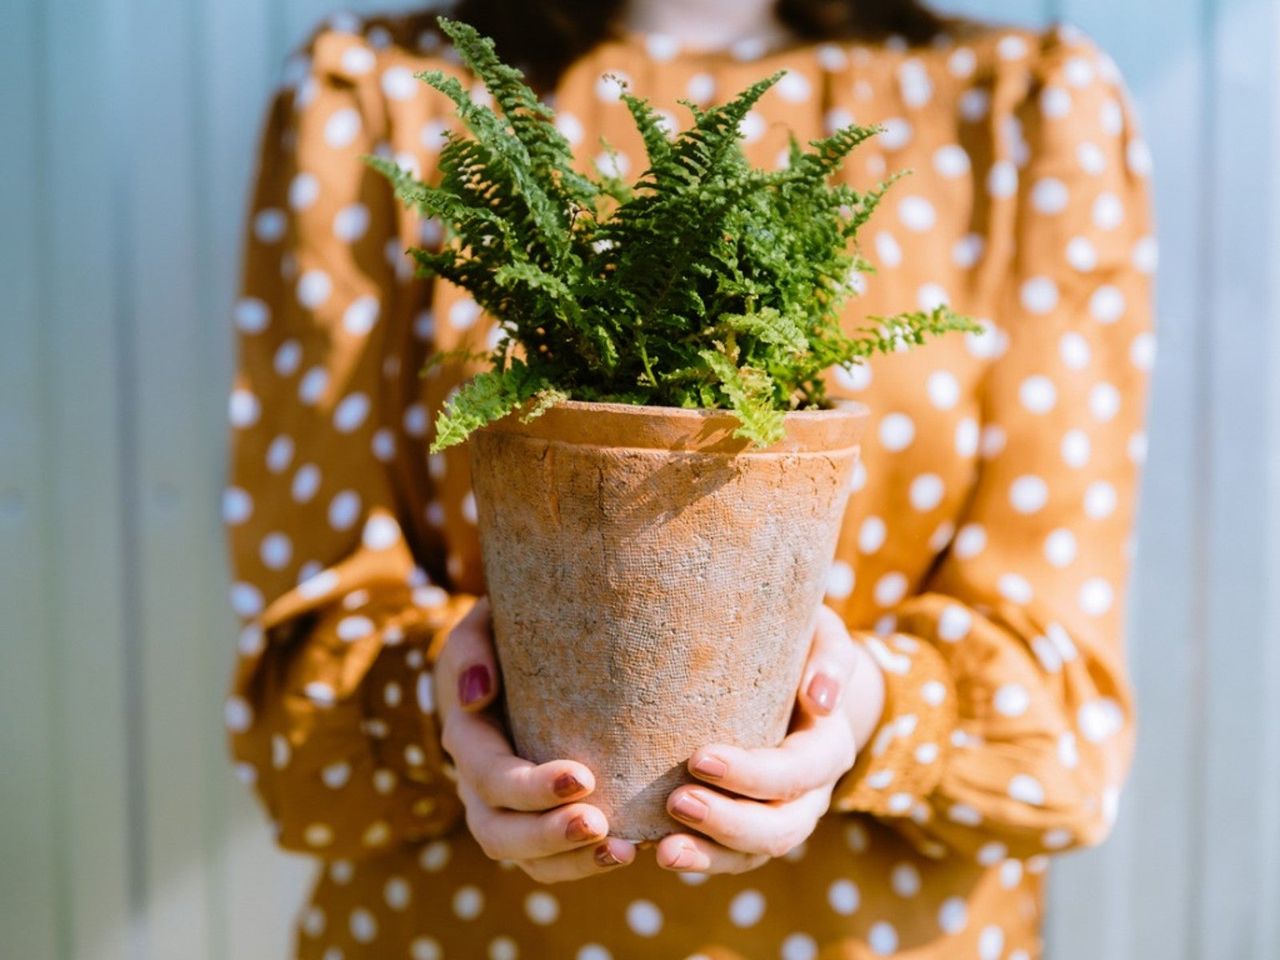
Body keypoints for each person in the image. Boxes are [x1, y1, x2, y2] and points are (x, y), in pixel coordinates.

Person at [223, 0, 1154, 956]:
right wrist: (447, 702)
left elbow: (1067, 734)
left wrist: (870, 709)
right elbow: (293, 747)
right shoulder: (385, 94)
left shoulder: (1022, 111)